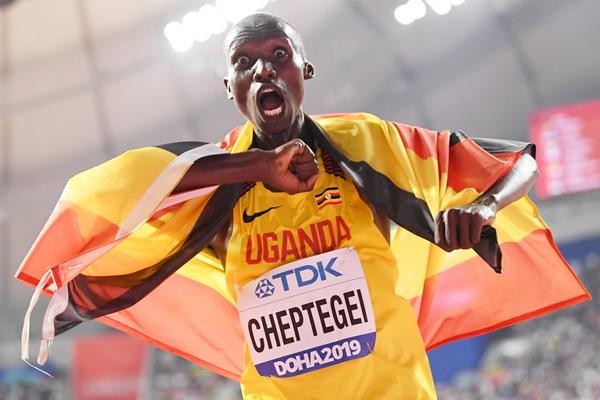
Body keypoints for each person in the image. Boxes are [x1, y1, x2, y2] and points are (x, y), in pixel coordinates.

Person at [16, 12, 589, 400]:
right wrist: (257, 167)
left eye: (278, 54)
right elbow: (111, 192)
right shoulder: (214, 183)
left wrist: (483, 209)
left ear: (303, 71)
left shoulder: (366, 146)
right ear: (230, 88)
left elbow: (517, 162)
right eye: (244, 62)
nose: (263, 69)